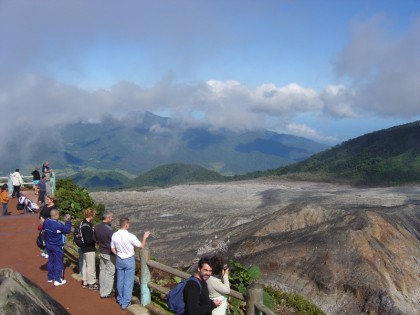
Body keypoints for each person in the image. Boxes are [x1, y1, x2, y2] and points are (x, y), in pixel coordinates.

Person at [111, 218, 150, 310]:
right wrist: (144, 237)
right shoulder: (130, 236)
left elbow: (112, 248)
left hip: (119, 259)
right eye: (129, 224)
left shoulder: (114, 235)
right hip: (129, 260)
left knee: (120, 280)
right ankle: (125, 303)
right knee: (128, 282)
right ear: (126, 225)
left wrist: (119, 254)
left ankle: (120, 299)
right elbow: (141, 246)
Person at [42, 209, 71, 286]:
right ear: (56, 215)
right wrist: (67, 221)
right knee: (58, 262)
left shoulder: (46, 221)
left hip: (49, 245)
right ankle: (58, 280)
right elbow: (67, 230)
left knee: (51, 261)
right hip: (57, 245)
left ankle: (50, 277)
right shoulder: (58, 225)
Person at [93, 210, 116, 298]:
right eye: (111, 217)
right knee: (110, 272)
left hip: (101, 251)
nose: (112, 218)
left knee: (102, 270)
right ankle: (106, 292)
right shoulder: (109, 230)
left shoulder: (97, 226)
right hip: (109, 252)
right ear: (107, 218)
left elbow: (95, 238)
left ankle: (102, 288)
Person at [80, 208, 99, 290]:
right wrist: (95, 238)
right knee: (91, 266)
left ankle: (85, 280)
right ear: (90, 215)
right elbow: (88, 240)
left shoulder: (82, 223)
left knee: (85, 265)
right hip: (89, 248)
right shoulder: (87, 226)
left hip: (83, 248)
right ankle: (91, 283)